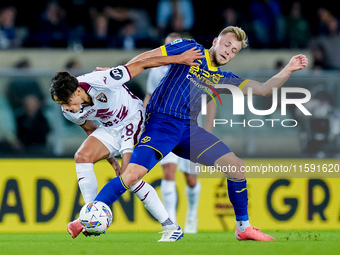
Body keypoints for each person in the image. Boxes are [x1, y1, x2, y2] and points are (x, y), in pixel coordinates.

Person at [69, 26, 308, 241]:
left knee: (236, 166)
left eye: (234, 50)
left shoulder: (223, 78)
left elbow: (265, 89)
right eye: (226, 44)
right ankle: (86, 218)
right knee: (131, 175)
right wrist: (119, 72)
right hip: (160, 124)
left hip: (188, 130)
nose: (228, 51)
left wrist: (289, 69)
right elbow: (149, 56)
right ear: (215, 41)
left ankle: (243, 228)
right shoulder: (190, 48)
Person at [50, 47, 203, 242]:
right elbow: (90, 130)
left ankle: (170, 226)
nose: (64, 107)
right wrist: (111, 159)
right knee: (82, 157)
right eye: (60, 104)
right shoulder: (70, 111)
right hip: (110, 129)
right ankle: (90, 217)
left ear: (78, 90)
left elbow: (141, 64)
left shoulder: (102, 79)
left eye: (66, 101)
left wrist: (179, 58)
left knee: (128, 177)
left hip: (133, 120)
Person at [144, 32, 214, 234]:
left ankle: (192, 215)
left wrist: (208, 129)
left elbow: (210, 99)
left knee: (191, 178)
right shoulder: (158, 70)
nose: (169, 51)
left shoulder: (199, 69)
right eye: (167, 46)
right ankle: (172, 223)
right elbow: (149, 96)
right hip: (164, 128)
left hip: (190, 129)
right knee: (168, 172)